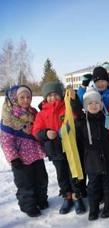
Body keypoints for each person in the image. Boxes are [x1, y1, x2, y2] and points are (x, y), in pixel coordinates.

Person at [32, 81, 86, 214]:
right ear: (45, 97)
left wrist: (74, 101)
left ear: (61, 95)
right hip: (55, 151)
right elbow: (36, 131)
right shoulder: (41, 114)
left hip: (71, 149)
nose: (53, 97)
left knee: (74, 173)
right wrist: (45, 133)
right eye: (49, 95)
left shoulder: (66, 106)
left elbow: (78, 116)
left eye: (56, 94)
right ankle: (67, 197)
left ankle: (77, 196)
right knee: (61, 176)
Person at [0, 85, 48, 217]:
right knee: (25, 185)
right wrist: (13, 158)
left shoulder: (33, 112)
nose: (26, 100)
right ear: (15, 98)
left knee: (41, 180)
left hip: (36, 154)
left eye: (28, 97)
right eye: (22, 97)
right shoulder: (9, 116)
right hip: (21, 159)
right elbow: (6, 140)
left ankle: (41, 200)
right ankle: (28, 206)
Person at [76, 87, 109, 220]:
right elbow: (77, 143)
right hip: (91, 161)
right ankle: (93, 209)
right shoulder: (82, 122)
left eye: (96, 103)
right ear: (85, 106)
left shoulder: (107, 119)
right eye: (90, 103)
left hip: (107, 158)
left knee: (108, 184)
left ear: (101, 104)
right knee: (93, 186)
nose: (94, 106)